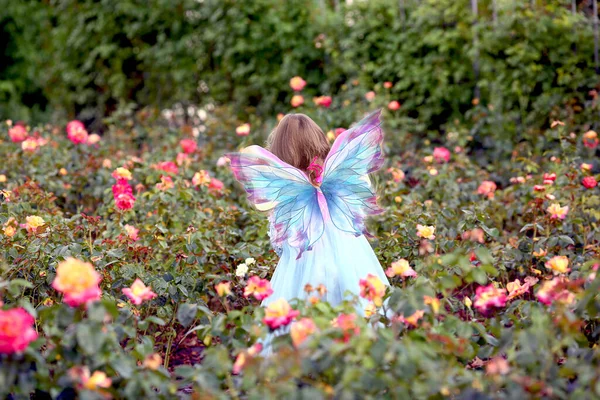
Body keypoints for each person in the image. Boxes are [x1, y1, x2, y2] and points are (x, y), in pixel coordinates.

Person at [228, 109, 389, 315]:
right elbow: (357, 221)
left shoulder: (287, 197)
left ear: (280, 152)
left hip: (304, 281)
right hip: (352, 267)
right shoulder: (340, 188)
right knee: (360, 316)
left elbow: (281, 245)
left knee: (301, 325)